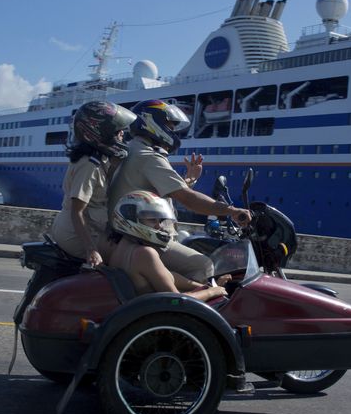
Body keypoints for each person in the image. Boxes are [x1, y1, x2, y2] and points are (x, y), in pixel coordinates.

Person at [107, 99, 251, 282]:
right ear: (152, 122)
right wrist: (231, 211)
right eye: (169, 125)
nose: (172, 131)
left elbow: (157, 194)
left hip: (127, 238)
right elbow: (187, 199)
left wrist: (189, 180)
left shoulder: (132, 150)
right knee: (203, 265)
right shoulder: (148, 157)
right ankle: (188, 307)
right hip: (142, 240)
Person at [50, 100, 136, 265]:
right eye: (118, 131)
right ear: (101, 133)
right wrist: (92, 249)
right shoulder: (89, 165)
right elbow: (78, 212)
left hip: (91, 230)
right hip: (75, 236)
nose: (122, 135)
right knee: (132, 257)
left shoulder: (101, 160)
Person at [108, 190, 228, 301]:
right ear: (131, 219)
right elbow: (175, 300)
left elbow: (168, 275)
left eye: (159, 221)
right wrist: (212, 293)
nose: (159, 226)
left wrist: (204, 287)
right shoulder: (144, 253)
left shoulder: (119, 250)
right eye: (152, 220)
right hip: (160, 315)